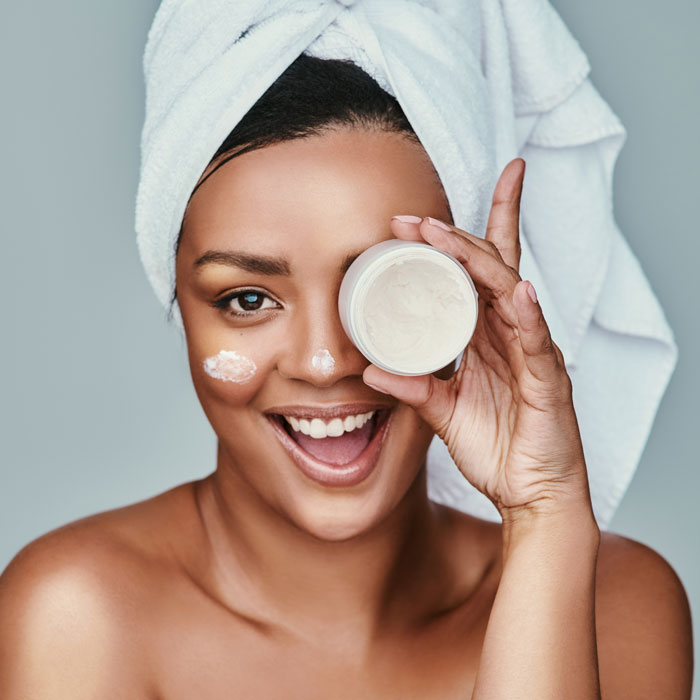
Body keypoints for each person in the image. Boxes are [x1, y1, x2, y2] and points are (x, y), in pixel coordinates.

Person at [0, 54, 693, 698]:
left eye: (383, 286)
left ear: (472, 298)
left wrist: (544, 512)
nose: (325, 362)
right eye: (248, 299)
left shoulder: (612, 605)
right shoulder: (77, 613)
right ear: (177, 302)